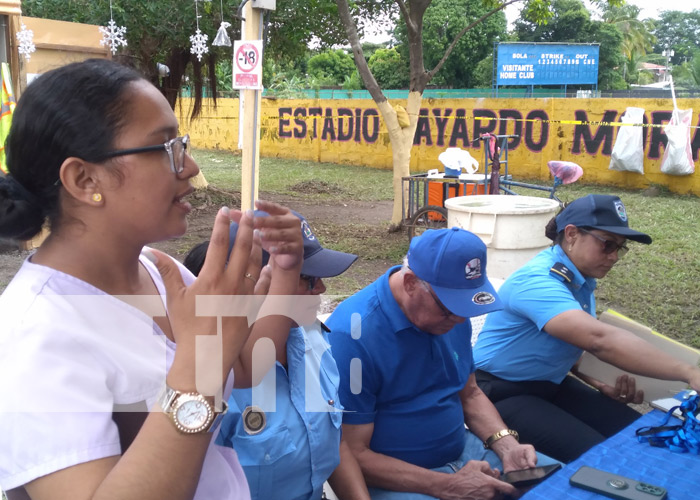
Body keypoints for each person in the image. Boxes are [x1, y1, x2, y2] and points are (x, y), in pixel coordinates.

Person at [0, 58, 305, 500]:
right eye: (167, 149)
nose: (190, 166)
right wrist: (198, 368)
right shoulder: (35, 334)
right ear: (84, 179)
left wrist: (285, 268)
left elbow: (245, 367)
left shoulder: (155, 270)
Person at [326, 227, 559, 500]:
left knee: (566, 487)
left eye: (466, 308)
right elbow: (351, 453)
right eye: (450, 308)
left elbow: (469, 392)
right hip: (398, 480)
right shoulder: (352, 337)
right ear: (411, 282)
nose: (460, 320)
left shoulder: (450, 315)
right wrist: (446, 485)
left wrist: (506, 445)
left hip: (466, 453)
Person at [473, 194, 700, 463]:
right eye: (607, 245)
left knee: (639, 435)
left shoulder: (578, 279)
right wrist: (688, 372)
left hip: (550, 384)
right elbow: (598, 340)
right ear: (571, 234)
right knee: (606, 458)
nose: (614, 256)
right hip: (500, 392)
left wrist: (598, 380)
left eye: (620, 248)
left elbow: (567, 344)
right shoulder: (538, 281)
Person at [183, 212, 371, 500]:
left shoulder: (312, 339)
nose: (321, 288)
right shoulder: (208, 380)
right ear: (248, 283)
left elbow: (335, 442)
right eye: (305, 277)